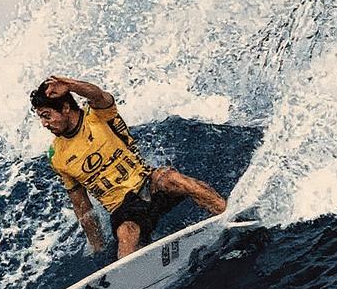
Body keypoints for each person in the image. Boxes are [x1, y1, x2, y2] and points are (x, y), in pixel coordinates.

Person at [31, 76, 227, 259]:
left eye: (47, 115)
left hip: (148, 183)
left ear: (65, 108)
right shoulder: (58, 156)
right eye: (40, 117)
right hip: (123, 208)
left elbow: (98, 94)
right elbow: (81, 204)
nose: (44, 123)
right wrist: (97, 247)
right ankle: (132, 280)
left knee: (172, 178)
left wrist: (70, 85)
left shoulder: (98, 115)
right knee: (127, 232)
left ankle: (228, 214)